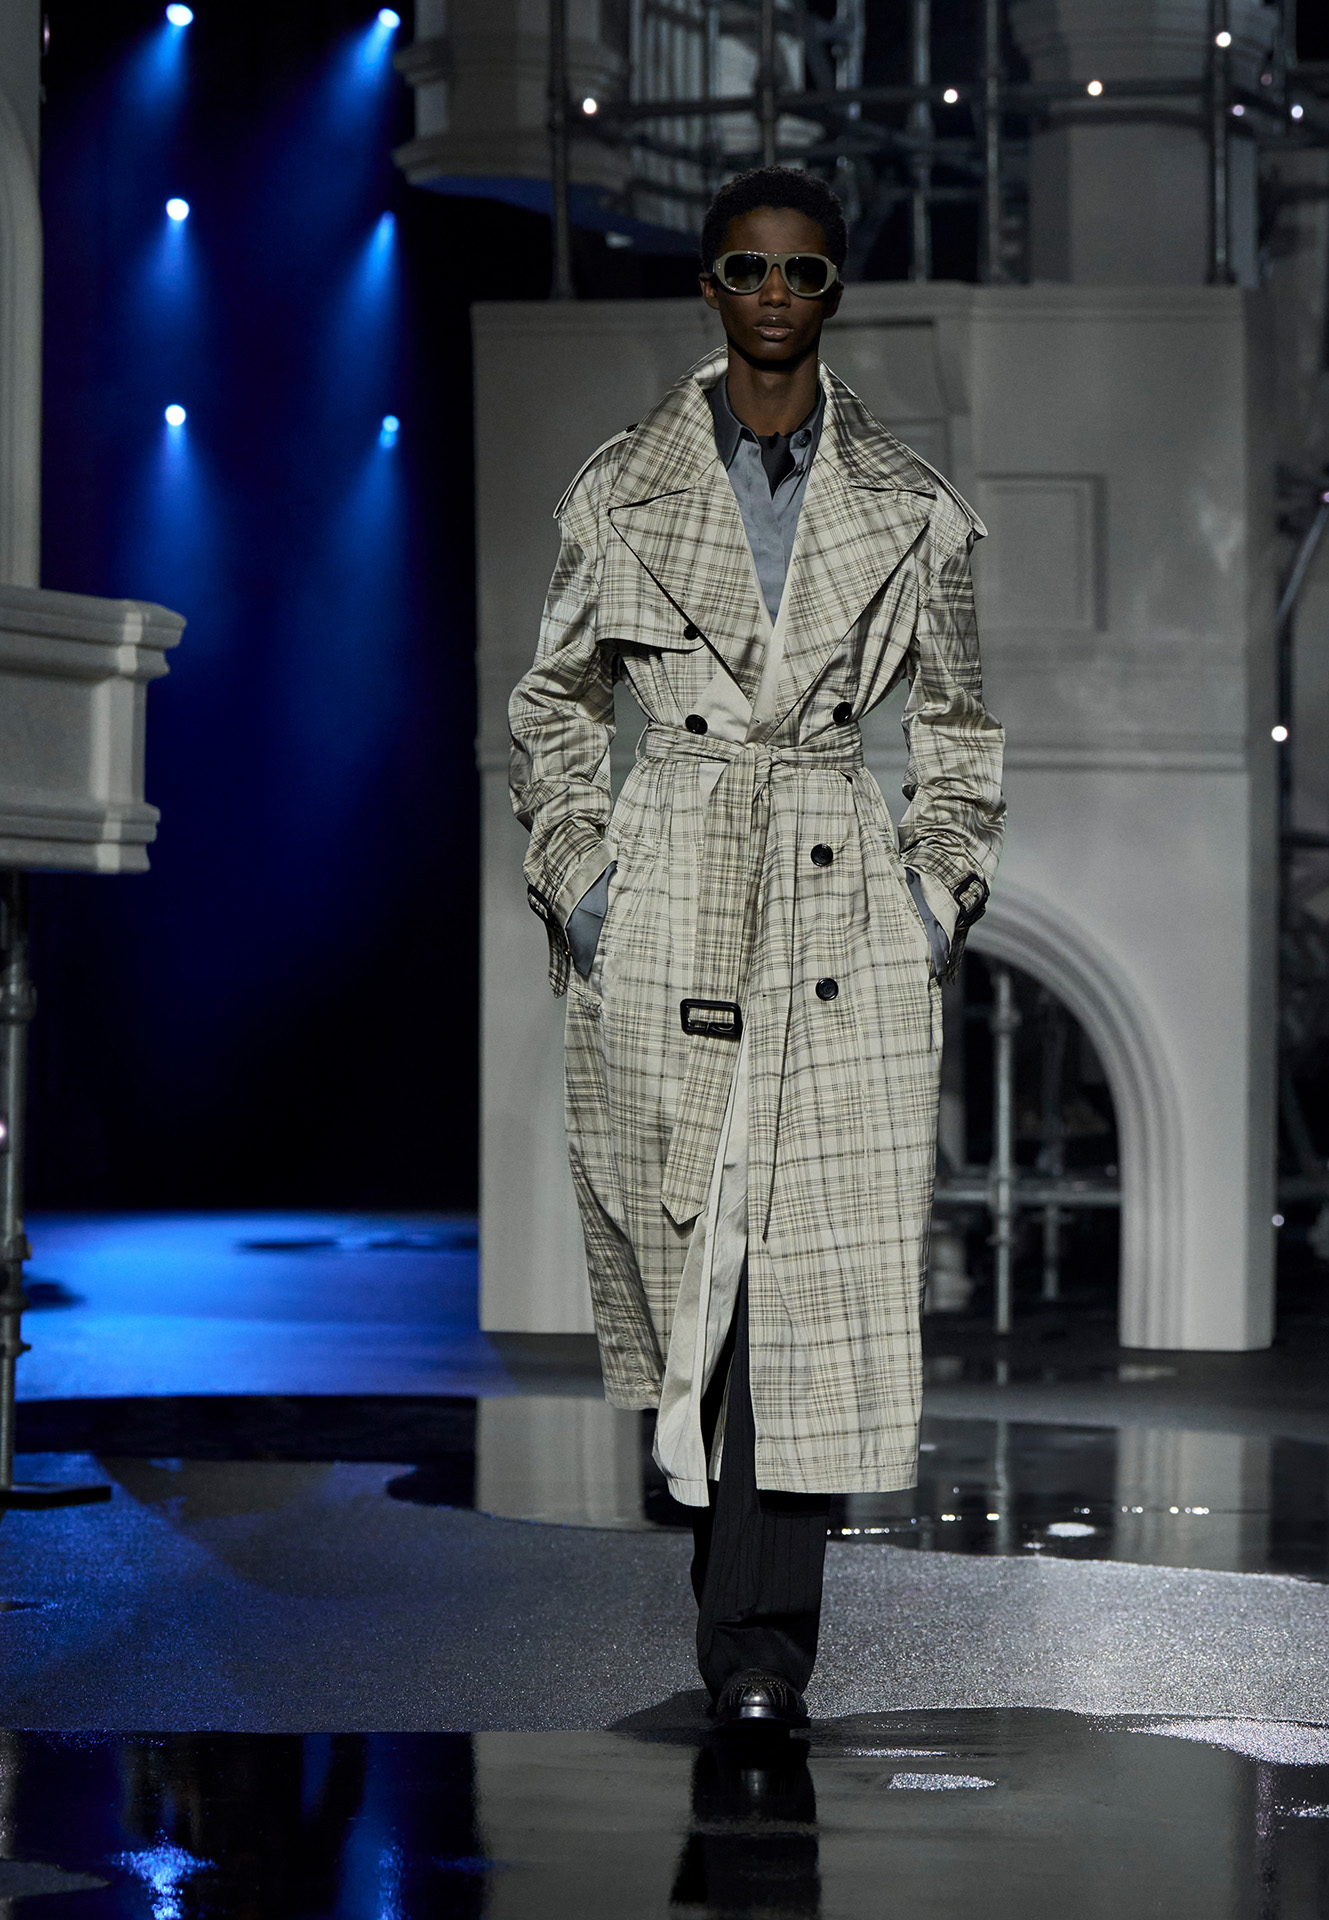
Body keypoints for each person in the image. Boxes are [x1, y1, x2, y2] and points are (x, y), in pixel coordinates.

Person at [508, 166, 1005, 1731]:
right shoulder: (621, 489)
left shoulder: (913, 507)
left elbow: (960, 735)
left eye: (803, 271)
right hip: (669, 884)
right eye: (747, 268)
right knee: (694, 1261)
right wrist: (584, 880)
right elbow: (554, 703)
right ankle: (733, 1604)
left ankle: (761, 1655)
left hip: (839, 903)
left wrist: (929, 902)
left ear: (834, 288)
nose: (776, 294)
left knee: (811, 1281)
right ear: (710, 287)